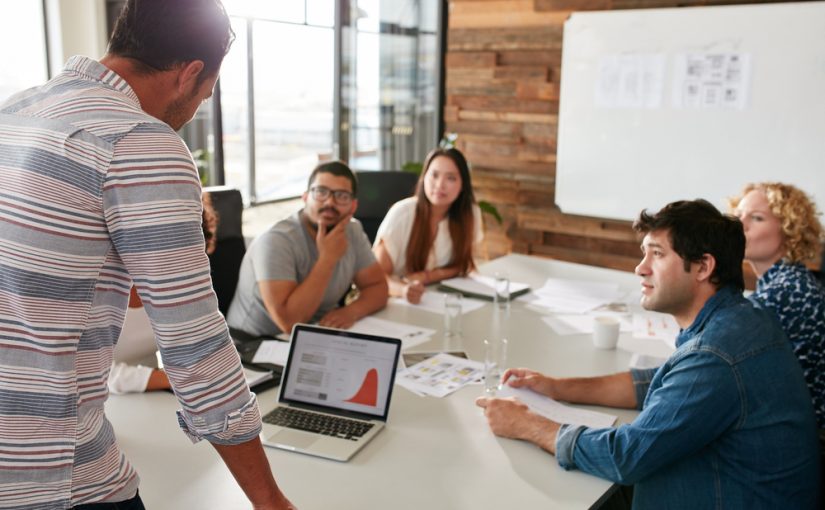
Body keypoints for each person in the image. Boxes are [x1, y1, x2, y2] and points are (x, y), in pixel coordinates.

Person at [0, 1, 294, 508]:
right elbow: (195, 346)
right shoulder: (140, 143)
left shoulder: (16, 112)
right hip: (50, 469)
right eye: (207, 93)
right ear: (191, 73)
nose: (198, 106)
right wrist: (269, 498)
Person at [476, 199, 820, 508]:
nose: (640, 268)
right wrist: (557, 387)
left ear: (703, 268)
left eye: (657, 254)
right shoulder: (741, 317)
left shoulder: (715, 356)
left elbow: (626, 456)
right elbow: (662, 380)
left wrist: (529, 425)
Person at [227, 161, 388, 338]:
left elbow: (378, 287)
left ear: (353, 206)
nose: (329, 202)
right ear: (305, 197)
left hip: (315, 332)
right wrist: (327, 259)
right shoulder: (276, 240)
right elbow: (290, 322)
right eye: (321, 192)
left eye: (341, 196)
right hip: (254, 344)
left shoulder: (352, 230)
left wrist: (351, 312)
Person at [730, 182, 825, 452]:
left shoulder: (785, 291)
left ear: (790, 231)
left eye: (756, 218)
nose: (740, 225)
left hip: (794, 441)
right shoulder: (785, 280)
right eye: (738, 216)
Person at [109, 193, 219, 394]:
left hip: (153, 396)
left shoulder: (176, 279)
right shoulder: (99, 285)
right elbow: (98, 374)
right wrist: (175, 378)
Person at [372, 148, 483, 304]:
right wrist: (404, 290)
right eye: (434, 175)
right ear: (424, 178)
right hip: (394, 301)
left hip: (435, 300)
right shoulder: (402, 213)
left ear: (463, 184)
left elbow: (462, 266)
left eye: (450, 178)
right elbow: (375, 277)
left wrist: (427, 276)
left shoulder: (470, 214)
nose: (439, 185)